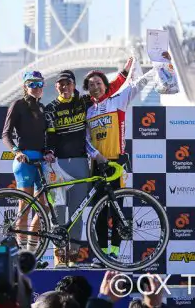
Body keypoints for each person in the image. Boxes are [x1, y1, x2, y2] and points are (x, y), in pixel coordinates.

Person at [43, 60, 132, 265]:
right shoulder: (51, 108)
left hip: (85, 163)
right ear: (56, 87)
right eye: (61, 84)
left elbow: (106, 90)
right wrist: (45, 151)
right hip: (58, 164)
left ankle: (76, 257)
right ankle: (59, 258)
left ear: (74, 85)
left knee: (79, 212)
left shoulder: (86, 103)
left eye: (68, 83)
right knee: (59, 211)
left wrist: (125, 72)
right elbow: (48, 134)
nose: (65, 87)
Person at [84, 54, 164, 264]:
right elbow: (85, 140)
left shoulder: (118, 101)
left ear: (105, 85)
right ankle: (101, 254)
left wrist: (157, 68)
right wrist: (96, 155)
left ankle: (115, 252)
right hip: (96, 166)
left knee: (116, 209)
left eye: (98, 83)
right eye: (91, 85)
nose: (95, 87)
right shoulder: (88, 111)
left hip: (116, 164)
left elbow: (138, 85)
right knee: (99, 212)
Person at [1, 70, 56, 251]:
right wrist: (16, 151)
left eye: (39, 84)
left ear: (43, 86)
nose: (36, 87)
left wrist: (47, 151)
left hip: (40, 161)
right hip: (24, 160)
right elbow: (6, 134)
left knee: (43, 207)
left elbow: (44, 136)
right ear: (25, 86)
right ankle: (21, 252)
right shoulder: (18, 104)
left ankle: (31, 253)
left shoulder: (42, 108)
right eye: (32, 84)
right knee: (24, 206)